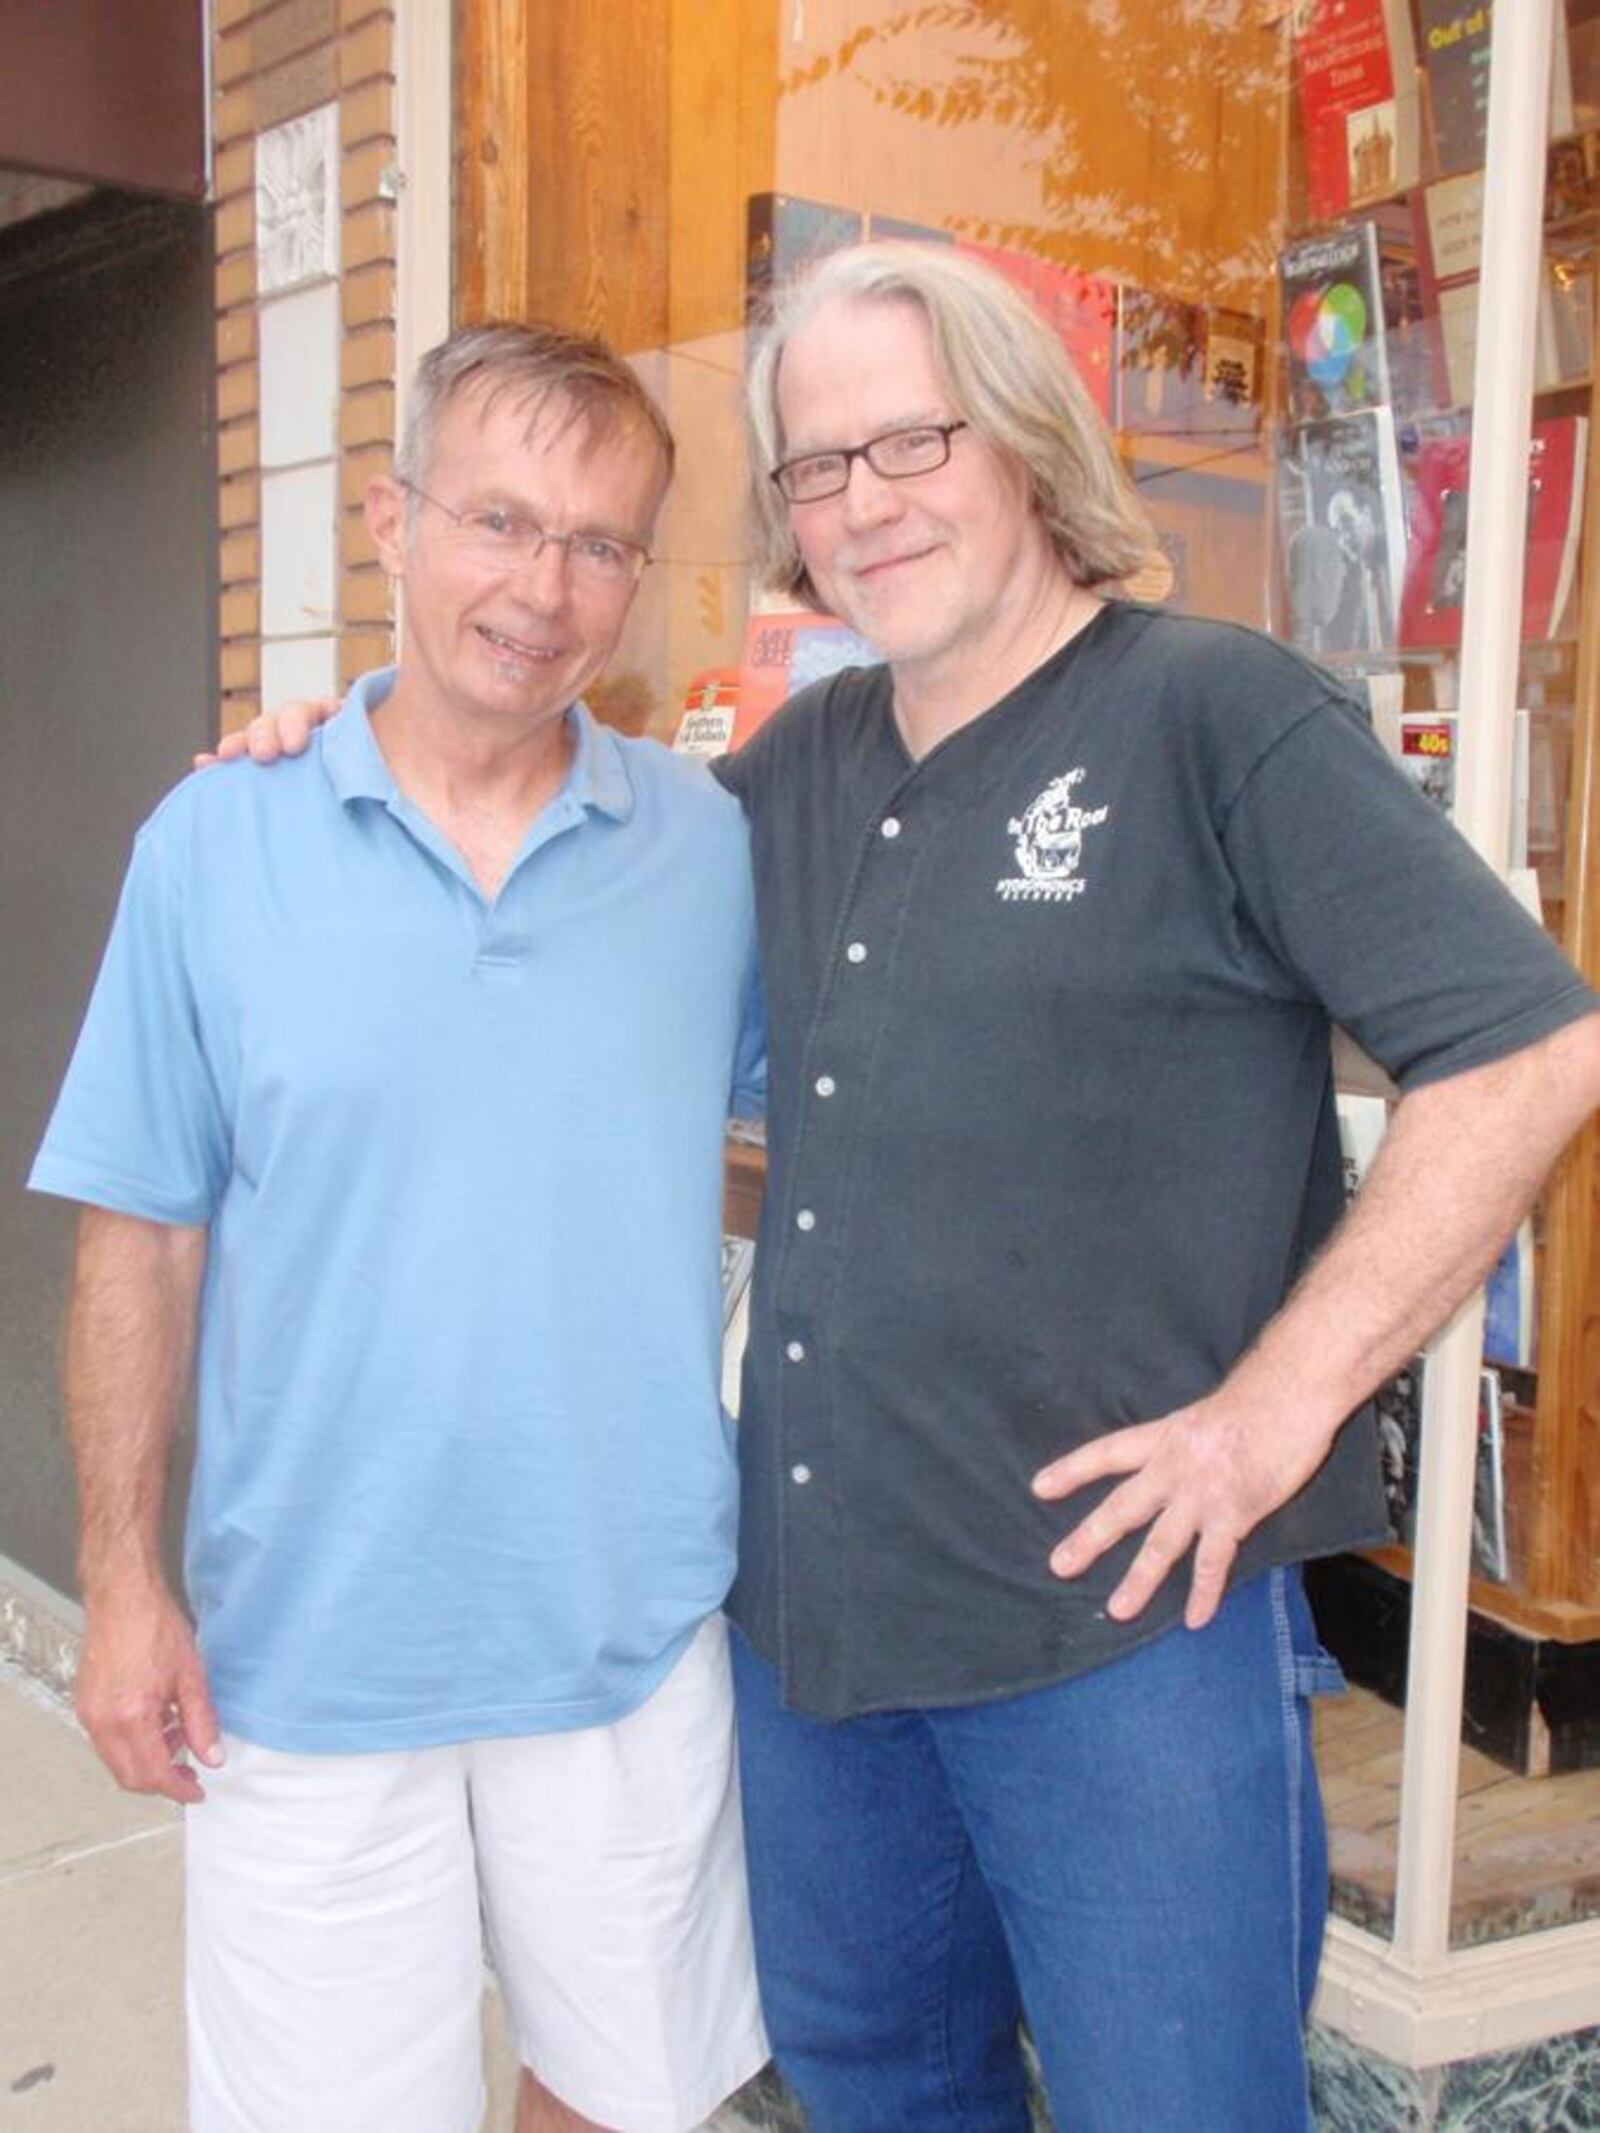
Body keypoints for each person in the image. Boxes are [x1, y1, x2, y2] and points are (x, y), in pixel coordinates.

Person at [227, 244, 1600, 2133]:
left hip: (1122, 1639)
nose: (864, 503)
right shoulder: (788, 771)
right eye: (816, 466)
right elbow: (538, 843)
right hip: (817, 1650)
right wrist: (327, 754)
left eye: (911, 441)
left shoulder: (1217, 715)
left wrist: (1270, 1417)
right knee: (880, 2098)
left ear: (1027, 442)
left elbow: (1526, 1049)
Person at [29, 322, 768, 2133]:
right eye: (500, 521)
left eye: (602, 543)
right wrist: (123, 1583)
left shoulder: (713, 850)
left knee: (626, 2098)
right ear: (392, 521)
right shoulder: (217, 844)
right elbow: (139, 1233)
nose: (545, 588)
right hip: (316, 1645)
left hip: (629, 1626)